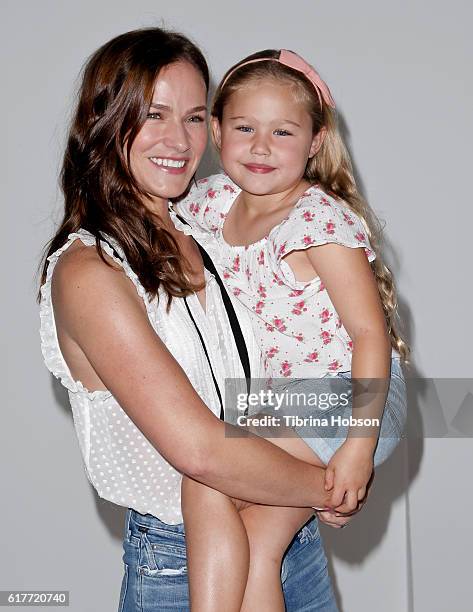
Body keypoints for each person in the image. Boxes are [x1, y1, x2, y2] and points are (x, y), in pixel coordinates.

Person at [39, 30, 355, 612]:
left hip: (288, 537)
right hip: (183, 564)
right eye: (154, 114)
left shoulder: (212, 225)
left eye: (192, 117)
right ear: (106, 120)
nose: (177, 140)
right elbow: (201, 451)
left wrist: (351, 437)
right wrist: (335, 483)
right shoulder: (89, 270)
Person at [174, 49, 409, 611]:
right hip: (274, 402)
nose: (260, 146)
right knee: (256, 546)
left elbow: (370, 336)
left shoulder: (316, 221)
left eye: (283, 131)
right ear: (215, 131)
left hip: (343, 398)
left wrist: (357, 447)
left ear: (315, 142)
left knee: (206, 476)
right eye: (244, 127)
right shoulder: (210, 202)